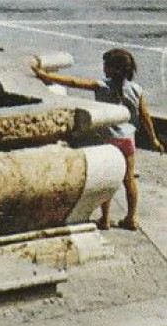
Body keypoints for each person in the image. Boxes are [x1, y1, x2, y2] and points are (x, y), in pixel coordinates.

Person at [33, 48, 164, 230]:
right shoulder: (137, 89)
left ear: (112, 69)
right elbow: (146, 116)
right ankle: (132, 218)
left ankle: (105, 219)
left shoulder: (103, 85)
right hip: (127, 139)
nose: (103, 68)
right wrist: (154, 140)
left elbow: (73, 82)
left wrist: (45, 75)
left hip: (108, 139)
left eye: (105, 65)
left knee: (108, 179)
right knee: (129, 180)